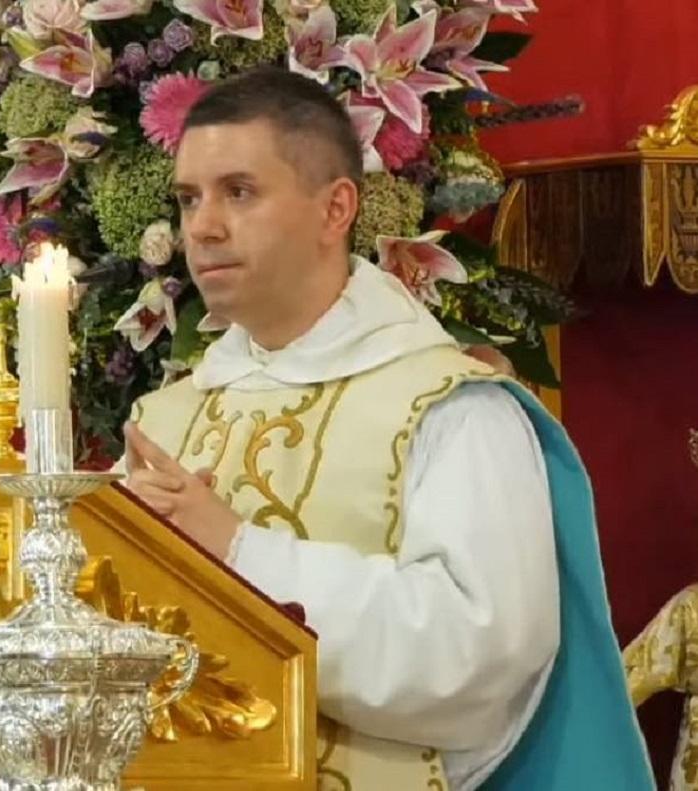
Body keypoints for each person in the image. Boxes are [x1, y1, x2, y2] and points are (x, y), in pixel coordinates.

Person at [119, 66, 652, 790]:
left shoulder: (449, 406)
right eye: (188, 199)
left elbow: (479, 655)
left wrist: (240, 553)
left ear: (337, 209)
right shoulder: (165, 420)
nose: (202, 227)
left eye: (238, 191)